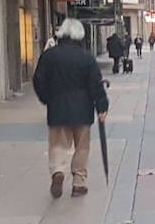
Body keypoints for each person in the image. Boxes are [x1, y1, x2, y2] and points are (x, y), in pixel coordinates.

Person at [33, 19, 108, 198]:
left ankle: (58, 171)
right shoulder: (86, 57)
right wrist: (101, 106)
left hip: (57, 107)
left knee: (58, 144)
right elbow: (95, 85)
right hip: (83, 109)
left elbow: (38, 80)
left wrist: (46, 98)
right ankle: (79, 182)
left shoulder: (49, 56)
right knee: (81, 146)